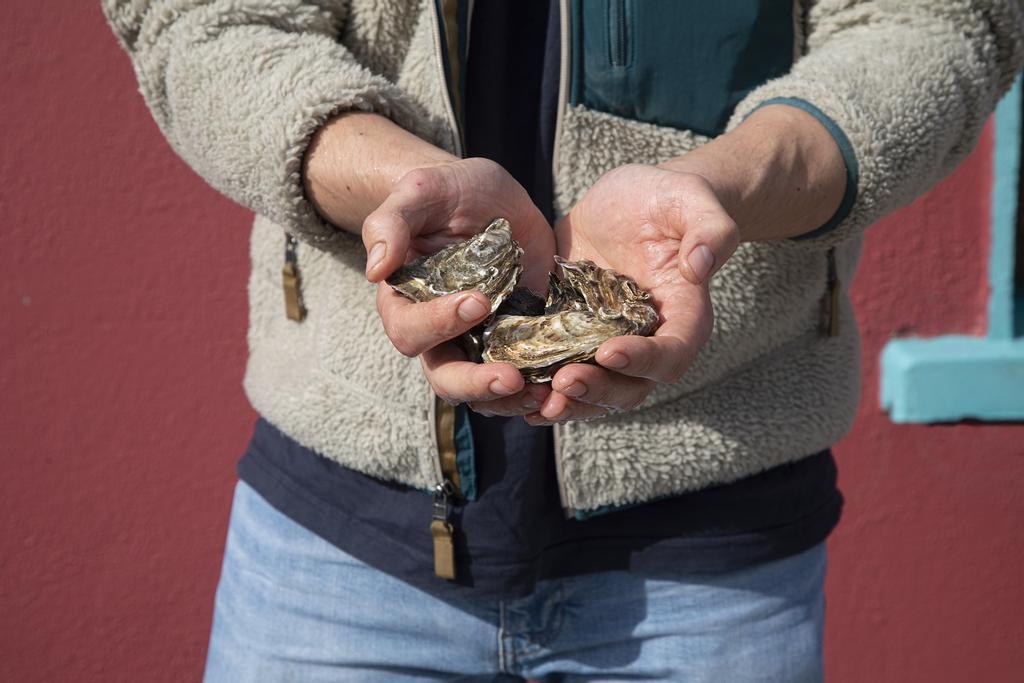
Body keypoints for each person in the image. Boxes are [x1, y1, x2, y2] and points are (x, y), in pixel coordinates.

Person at [102, 1, 1023, 680]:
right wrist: (388, 175)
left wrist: (726, 190)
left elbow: (940, 24)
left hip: (715, 542)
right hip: (340, 544)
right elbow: (197, 20)